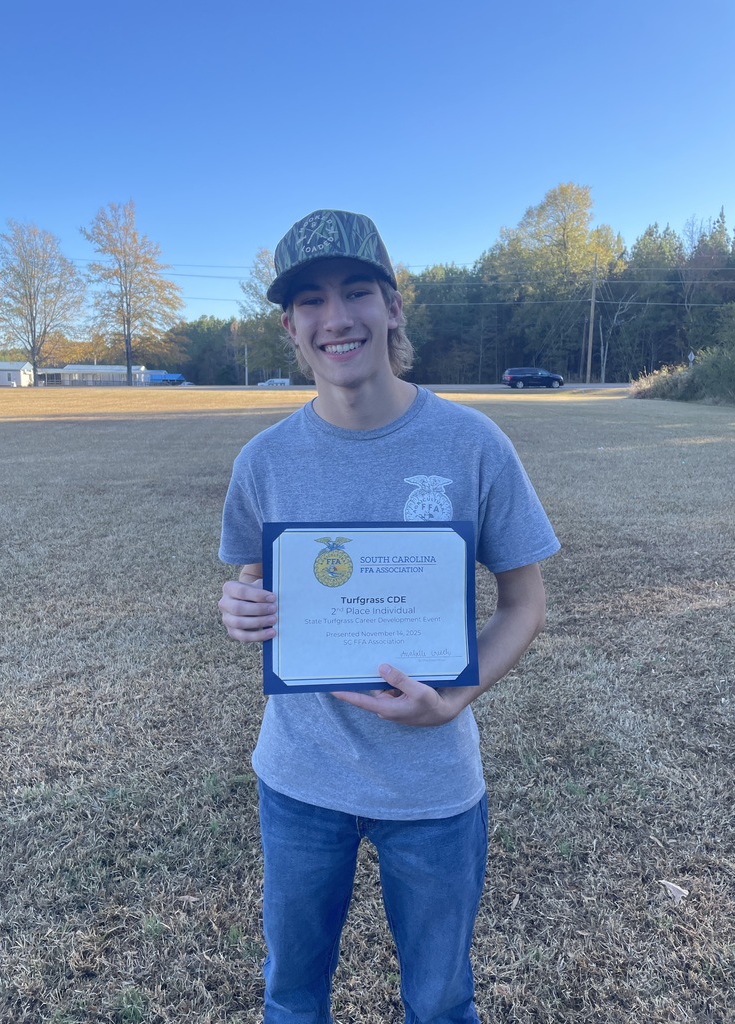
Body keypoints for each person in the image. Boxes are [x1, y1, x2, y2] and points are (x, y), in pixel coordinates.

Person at [218, 209, 560, 1023]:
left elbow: (526, 601)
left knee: (440, 1004)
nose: (335, 317)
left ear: (394, 307)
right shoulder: (262, 461)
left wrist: (456, 697)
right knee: (293, 999)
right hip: (299, 781)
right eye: (309, 300)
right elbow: (248, 581)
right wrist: (236, 607)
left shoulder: (472, 443)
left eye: (356, 291)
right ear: (290, 327)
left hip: (435, 785)